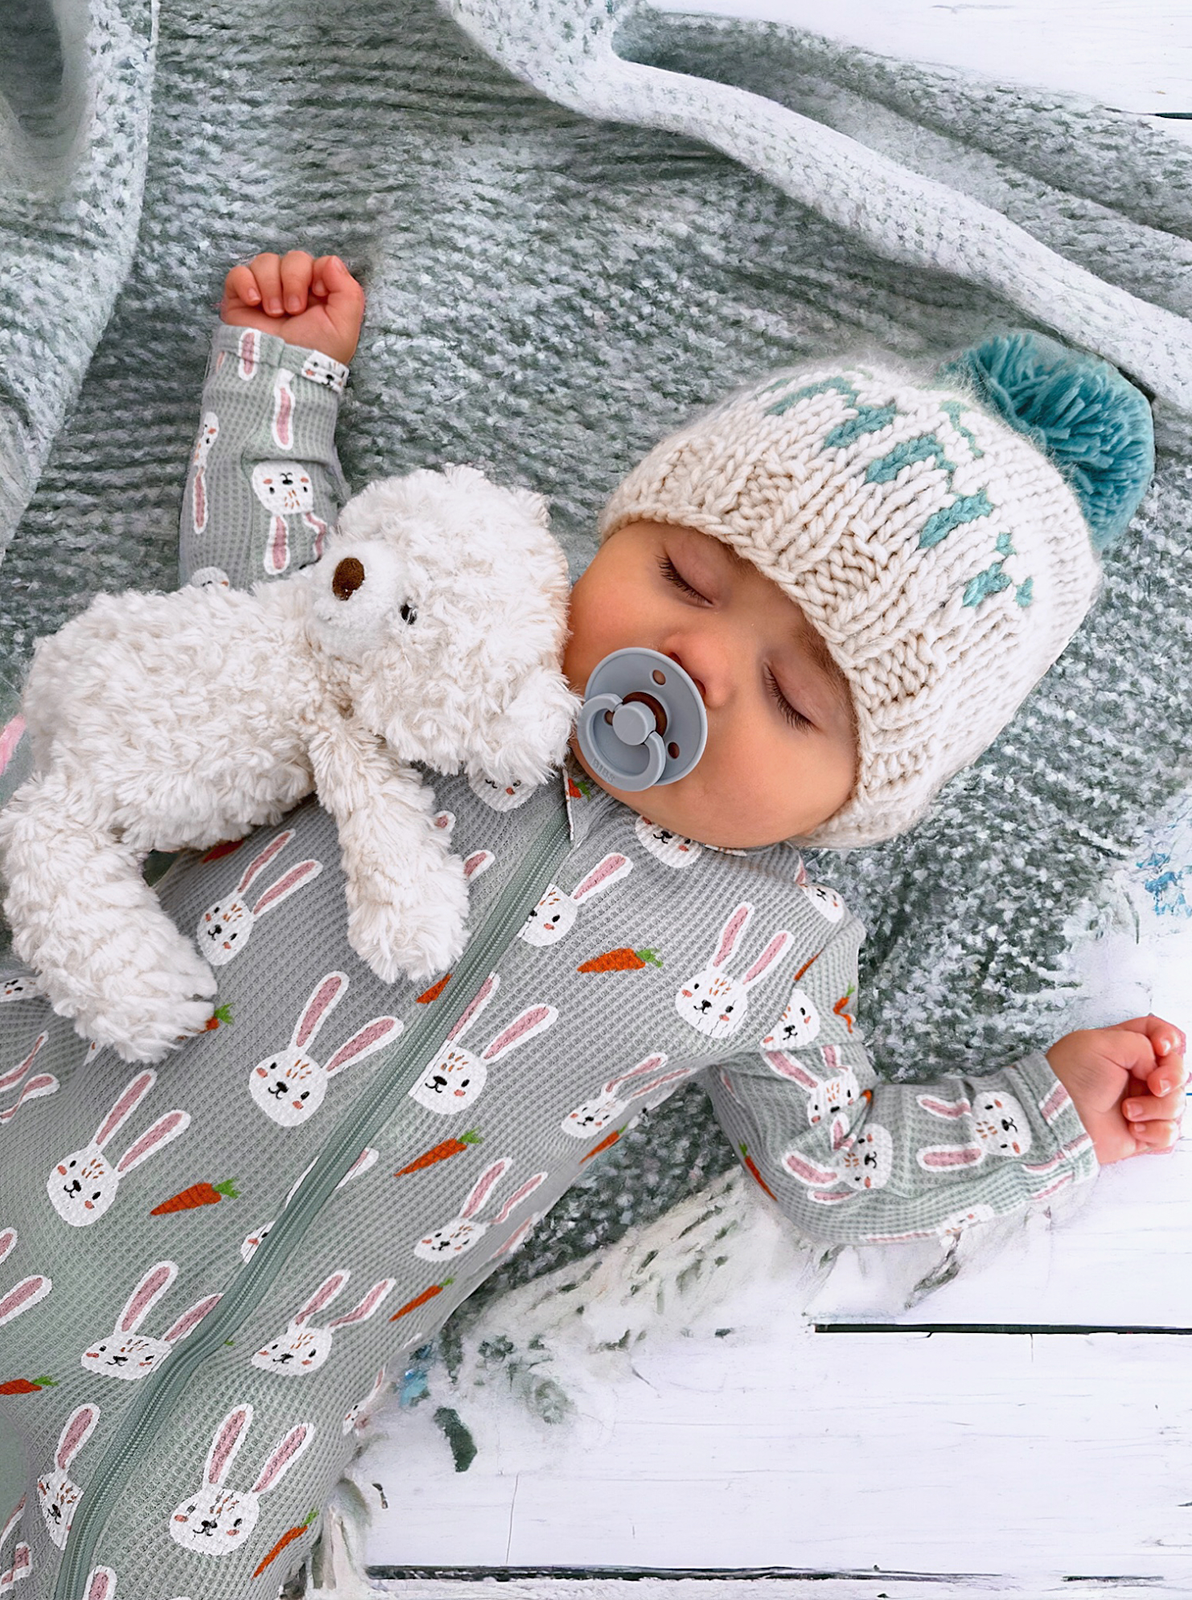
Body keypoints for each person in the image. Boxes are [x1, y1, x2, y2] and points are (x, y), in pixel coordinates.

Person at [0, 250, 1183, 1599]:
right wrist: (282, 383)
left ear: (863, 797)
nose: (697, 665)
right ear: (612, 538)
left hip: (228, 1443)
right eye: (682, 574)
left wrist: (1046, 1117)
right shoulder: (464, 650)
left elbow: (834, 1164)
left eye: (795, 700)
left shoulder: (772, 945)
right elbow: (271, 600)